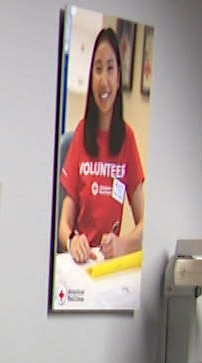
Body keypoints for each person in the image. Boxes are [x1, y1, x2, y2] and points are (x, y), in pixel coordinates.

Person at [58, 26, 145, 265]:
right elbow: (64, 223)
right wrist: (72, 240)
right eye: (97, 69)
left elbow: (146, 224)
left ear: (118, 78)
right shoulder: (80, 135)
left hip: (108, 266)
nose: (103, 80)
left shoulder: (127, 139)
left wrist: (123, 244)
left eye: (109, 69)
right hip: (79, 265)